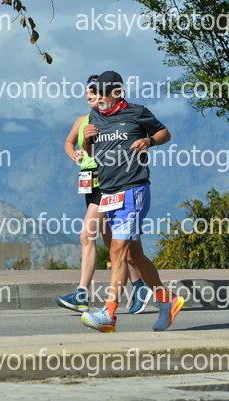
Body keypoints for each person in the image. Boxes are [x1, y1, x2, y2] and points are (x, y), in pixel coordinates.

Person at [80, 71, 184, 332]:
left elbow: (165, 133)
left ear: (117, 93)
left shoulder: (137, 112)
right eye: (96, 92)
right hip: (108, 192)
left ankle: (109, 314)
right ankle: (166, 300)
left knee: (117, 250)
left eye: (103, 93)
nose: (98, 98)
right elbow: (90, 152)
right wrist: (85, 139)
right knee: (133, 256)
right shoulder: (94, 117)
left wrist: (149, 140)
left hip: (133, 189)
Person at [55, 75, 152, 314]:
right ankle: (141, 286)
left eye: (96, 92)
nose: (91, 96)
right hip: (89, 183)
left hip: (108, 183)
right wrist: (74, 153)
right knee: (116, 245)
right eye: (88, 92)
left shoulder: (111, 118)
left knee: (87, 235)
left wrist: (145, 142)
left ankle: (83, 294)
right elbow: (69, 142)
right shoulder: (84, 120)